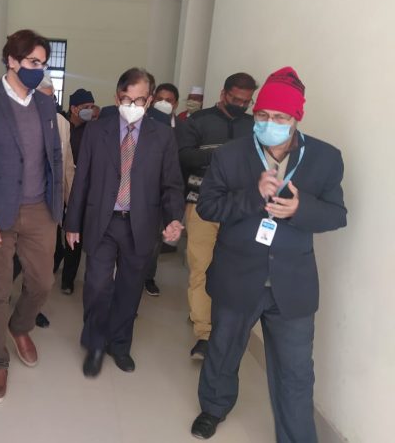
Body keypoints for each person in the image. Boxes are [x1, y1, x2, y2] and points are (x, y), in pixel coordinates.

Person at [190, 67, 347, 441]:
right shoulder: (231, 155)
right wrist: (251, 196)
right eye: (262, 115)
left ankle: (297, 436)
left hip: (292, 283)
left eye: (279, 117)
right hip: (237, 274)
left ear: (296, 118)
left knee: (296, 370)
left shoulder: (325, 158)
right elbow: (207, 207)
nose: (269, 123)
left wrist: (300, 209)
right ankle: (213, 408)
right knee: (223, 351)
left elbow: (337, 214)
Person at [0, 29, 63, 404]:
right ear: (12, 61)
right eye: (33, 62)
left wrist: (58, 206)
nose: (39, 69)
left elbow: (54, 157)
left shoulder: (45, 105)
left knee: (42, 283)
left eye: (43, 64)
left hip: (39, 210)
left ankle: (20, 327)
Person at [64, 67, 185, 378]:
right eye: (127, 99)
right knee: (96, 286)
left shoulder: (163, 136)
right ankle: (94, 344)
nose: (133, 106)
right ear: (117, 98)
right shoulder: (96, 131)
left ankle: (119, 344)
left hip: (140, 223)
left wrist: (174, 218)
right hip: (102, 221)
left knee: (130, 288)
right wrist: (72, 223)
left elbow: (171, 184)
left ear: (150, 100)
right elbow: (82, 180)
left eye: (140, 100)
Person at [178, 72, 258, 359]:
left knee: (233, 272)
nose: (241, 105)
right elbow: (183, 156)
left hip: (240, 210)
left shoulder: (254, 126)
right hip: (202, 205)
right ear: (223, 94)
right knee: (201, 266)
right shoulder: (198, 121)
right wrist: (223, 155)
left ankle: (222, 328)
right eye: (236, 99)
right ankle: (205, 333)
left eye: (246, 102)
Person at [12, 74, 75, 328]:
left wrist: (70, 205)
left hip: (47, 207)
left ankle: (30, 309)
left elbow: (67, 166)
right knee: (13, 260)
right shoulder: (14, 119)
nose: (48, 104)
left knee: (40, 265)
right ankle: (2, 295)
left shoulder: (62, 124)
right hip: (16, 205)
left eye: (51, 99)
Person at [143, 82, 188, 296]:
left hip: (168, 193)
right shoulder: (145, 123)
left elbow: (185, 161)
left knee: (155, 242)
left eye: (168, 100)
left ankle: (148, 277)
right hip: (146, 191)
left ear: (175, 104)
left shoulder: (183, 129)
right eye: (159, 99)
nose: (163, 103)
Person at [61, 88, 99, 294]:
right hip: (61, 187)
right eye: (86, 107)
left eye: (92, 107)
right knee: (54, 234)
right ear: (74, 109)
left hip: (83, 190)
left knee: (75, 235)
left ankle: (68, 280)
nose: (90, 111)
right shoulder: (62, 127)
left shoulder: (93, 131)